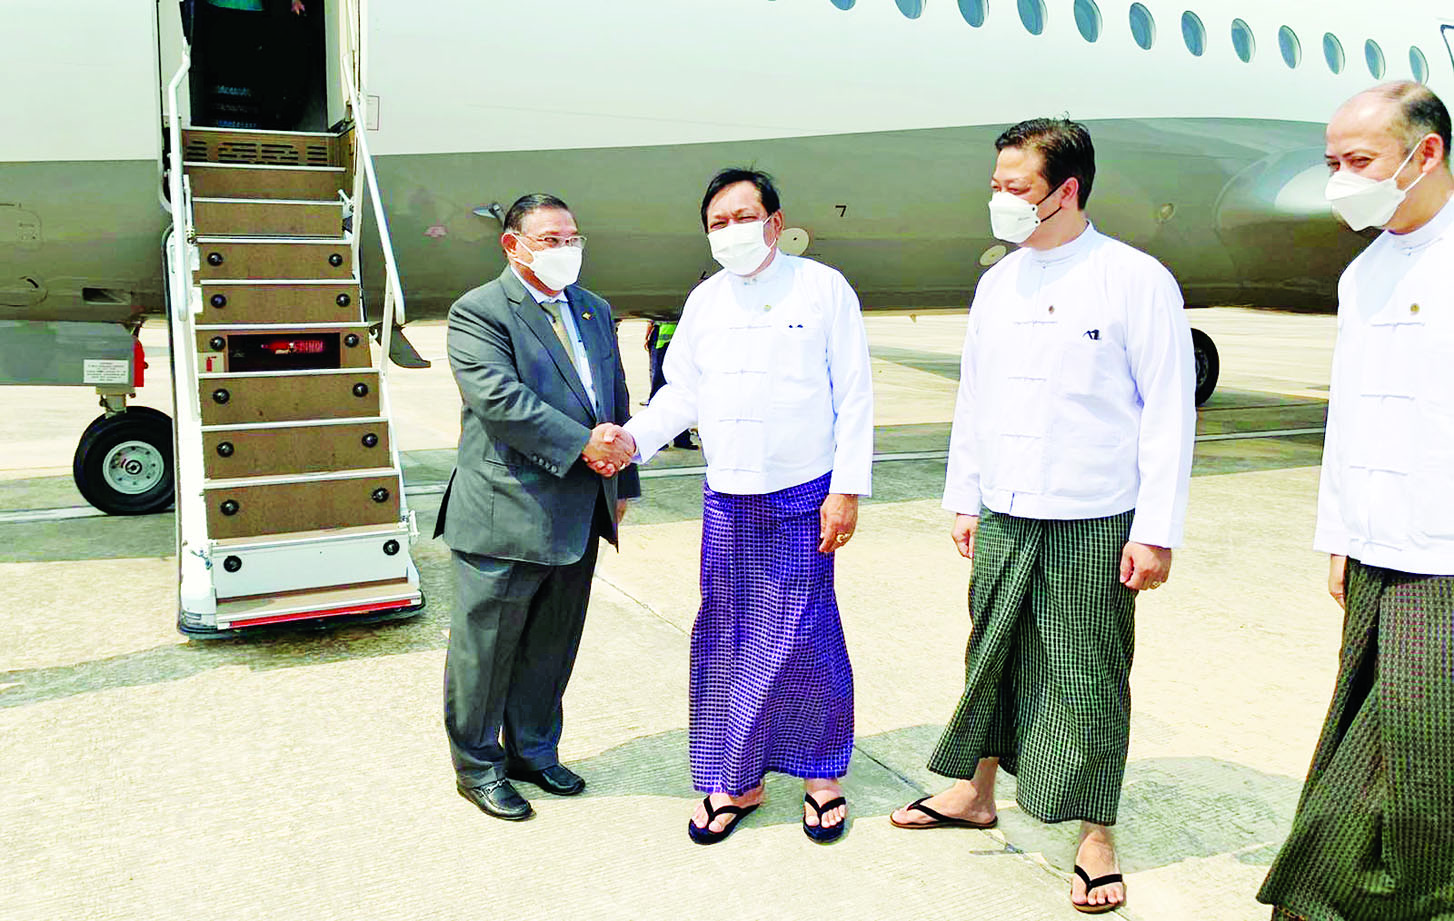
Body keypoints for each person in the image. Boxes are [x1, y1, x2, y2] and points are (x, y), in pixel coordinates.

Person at [888, 118, 1194, 915]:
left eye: (1016, 187)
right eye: (996, 185)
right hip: (1005, 505)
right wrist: (966, 497)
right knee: (990, 653)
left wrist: (1154, 529)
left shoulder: (1134, 278)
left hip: (1095, 513)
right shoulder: (999, 282)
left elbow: (1168, 412)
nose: (1000, 198)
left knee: (1087, 674)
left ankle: (1096, 835)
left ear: (1066, 190)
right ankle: (976, 791)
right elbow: (975, 398)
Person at [596, 168, 873, 845]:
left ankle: (820, 774)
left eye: (743, 217)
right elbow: (682, 393)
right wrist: (633, 440)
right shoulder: (705, 300)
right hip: (728, 494)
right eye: (717, 223)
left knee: (806, 633)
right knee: (726, 635)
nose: (731, 232)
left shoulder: (823, 288)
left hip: (804, 490)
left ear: (775, 223)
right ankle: (737, 777)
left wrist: (846, 489)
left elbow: (854, 392)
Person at [1257, 82, 1454, 921]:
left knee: (1419, 753)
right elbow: (1353, 414)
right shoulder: (1365, 271)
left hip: (1444, 558)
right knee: (1370, 738)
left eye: (1361, 160)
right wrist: (1339, 531)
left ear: (1426, 153)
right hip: (1377, 546)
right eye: (1332, 161)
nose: (1341, 179)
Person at [435, 193, 640, 822]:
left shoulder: (593, 308)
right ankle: (478, 768)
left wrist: (623, 484)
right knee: (487, 651)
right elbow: (500, 401)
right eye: (551, 239)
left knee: (552, 644)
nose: (566, 250)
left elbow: (614, 397)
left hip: (580, 506)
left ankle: (533, 751)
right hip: (506, 509)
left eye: (573, 238)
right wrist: (584, 445)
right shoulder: (480, 311)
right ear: (513, 245)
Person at [644, 321, 696, 449]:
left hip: (669, 341)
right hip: (666, 342)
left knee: (679, 390)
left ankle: (680, 438)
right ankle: (659, 438)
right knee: (662, 390)